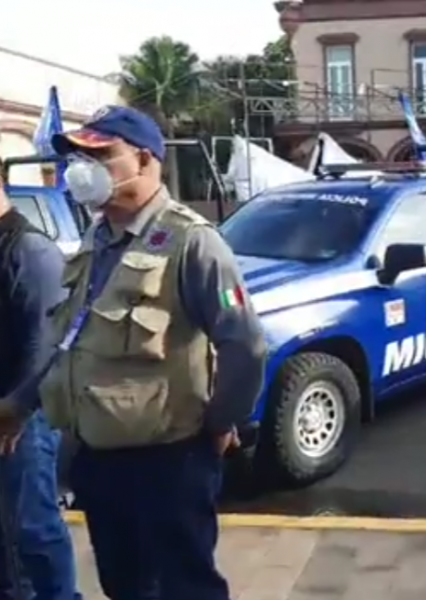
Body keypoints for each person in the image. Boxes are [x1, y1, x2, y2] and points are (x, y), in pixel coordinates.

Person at [0, 106, 268, 600]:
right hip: (99, 462)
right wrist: (19, 407)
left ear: (144, 160)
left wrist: (219, 422)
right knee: (125, 586)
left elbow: (245, 343)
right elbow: (69, 339)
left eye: (100, 155)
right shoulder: (96, 241)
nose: (82, 167)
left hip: (169, 462)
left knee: (182, 587)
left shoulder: (192, 242)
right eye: (78, 156)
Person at [0, 162, 82, 600]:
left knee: (31, 528)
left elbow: (46, 344)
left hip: (22, 419)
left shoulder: (30, 250)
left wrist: (15, 411)